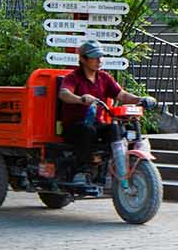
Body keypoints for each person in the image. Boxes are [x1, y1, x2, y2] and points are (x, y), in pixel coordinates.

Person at [58, 40, 148, 179]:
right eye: (95, 57)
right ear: (83, 59)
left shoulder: (104, 77)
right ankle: (83, 169)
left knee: (118, 128)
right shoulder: (73, 78)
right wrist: (81, 99)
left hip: (97, 124)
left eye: (100, 56)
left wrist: (140, 99)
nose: (99, 60)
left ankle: (120, 163)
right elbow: (64, 94)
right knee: (88, 130)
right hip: (75, 126)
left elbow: (122, 95)